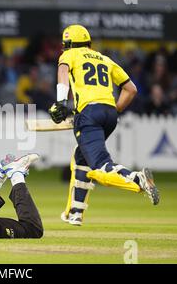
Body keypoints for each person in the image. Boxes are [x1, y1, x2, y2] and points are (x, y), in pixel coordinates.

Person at [48, 24, 160, 227]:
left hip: (88, 113)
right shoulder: (105, 59)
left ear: (69, 44)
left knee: (100, 165)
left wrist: (61, 103)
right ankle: (75, 212)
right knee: (81, 157)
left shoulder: (69, 55)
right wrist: (114, 110)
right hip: (109, 113)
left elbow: (63, 74)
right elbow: (131, 89)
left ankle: (137, 179)